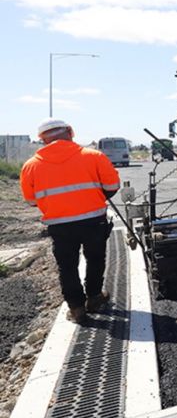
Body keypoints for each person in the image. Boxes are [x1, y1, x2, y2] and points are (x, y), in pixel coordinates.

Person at [19, 119, 121, 324]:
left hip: (59, 224)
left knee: (67, 266)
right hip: (93, 220)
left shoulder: (31, 166)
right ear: (70, 132)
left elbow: (31, 201)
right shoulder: (94, 156)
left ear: (43, 140)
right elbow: (112, 186)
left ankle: (76, 309)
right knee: (95, 258)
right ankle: (94, 297)